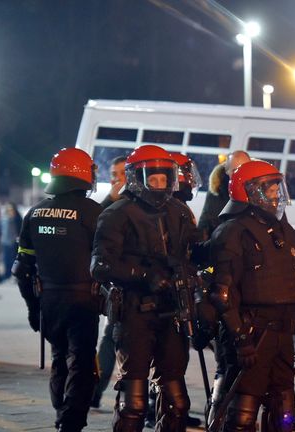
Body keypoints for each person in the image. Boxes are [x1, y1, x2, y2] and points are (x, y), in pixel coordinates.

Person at [205, 159, 295, 431]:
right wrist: (240, 340)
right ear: (248, 192)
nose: (276, 195)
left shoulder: (285, 230)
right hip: (253, 333)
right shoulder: (232, 231)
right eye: (269, 190)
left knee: (285, 413)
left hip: (283, 333)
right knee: (243, 415)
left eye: (276, 189)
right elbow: (222, 293)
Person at [91, 145, 197, 431]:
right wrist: (143, 275)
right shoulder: (117, 213)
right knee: (133, 402)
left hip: (173, 311)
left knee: (177, 401)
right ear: (138, 178)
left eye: (165, 178)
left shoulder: (180, 211)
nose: (160, 184)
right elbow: (101, 266)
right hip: (134, 312)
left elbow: (196, 251)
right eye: (154, 179)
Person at [13, 148, 103, 431]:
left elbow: (21, 268)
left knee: (59, 357)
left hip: (49, 300)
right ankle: (70, 421)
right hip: (83, 300)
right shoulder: (95, 213)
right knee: (83, 362)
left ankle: (60, 411)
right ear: (82, 173)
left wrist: (33, 307)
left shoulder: (35, 212)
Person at [91, 154, 129, 409]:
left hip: (135, 281)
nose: (115, 180)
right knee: (112, 335)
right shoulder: (111, 205)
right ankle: (97, 390)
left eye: (120, 175)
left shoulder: (141, 203)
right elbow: (95, 226)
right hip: (118, 283)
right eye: (113, 175)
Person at [197, 150, 251, 238]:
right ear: (227, 171)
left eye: (244, 169)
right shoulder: (217, 191)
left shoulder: (256, 190)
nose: (240, 174)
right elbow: (206, 222)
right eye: (235, 170)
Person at [0, 201, 23, 281]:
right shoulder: (6, 218)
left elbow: (19, 230)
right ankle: (7, 274)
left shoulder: (17, 218)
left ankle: (14, 275)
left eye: (11, 209)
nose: (9, 210)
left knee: (14, 259)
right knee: (6, 259)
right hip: (6, 242)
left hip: (14, 242)